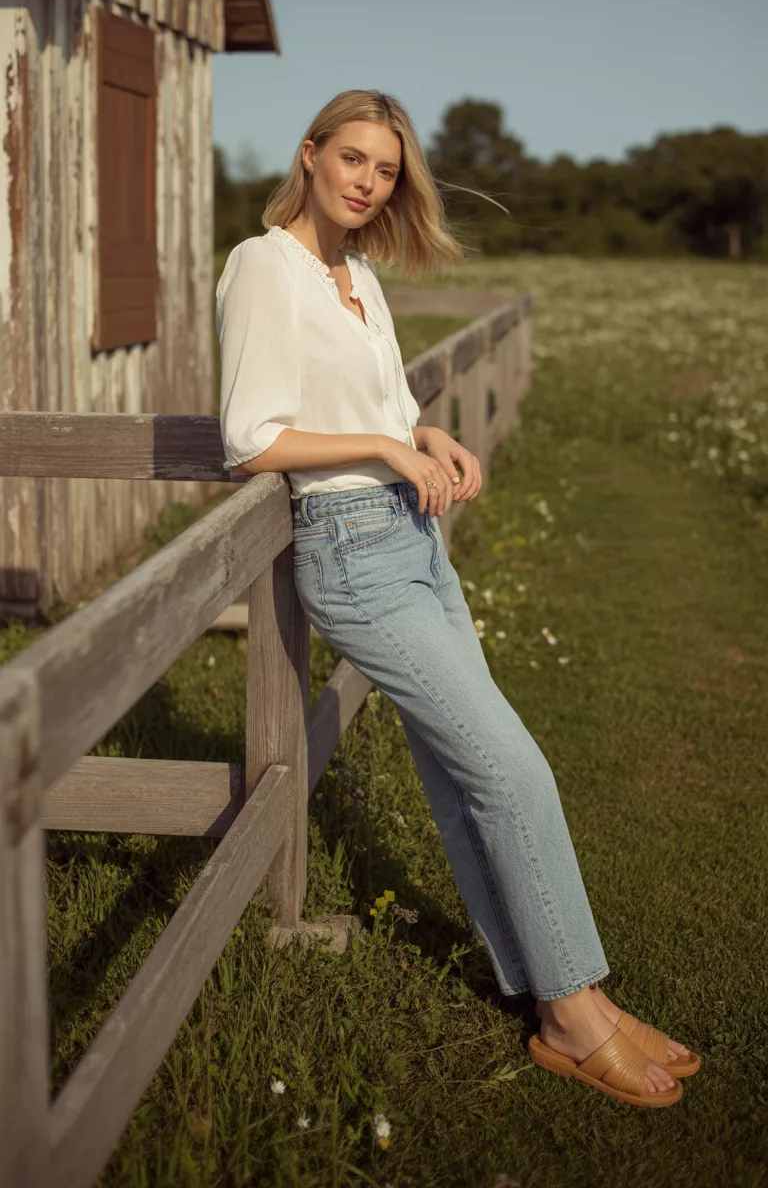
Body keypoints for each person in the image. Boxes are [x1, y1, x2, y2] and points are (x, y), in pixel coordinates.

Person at [215, 89, 699, 1108]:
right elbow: (252, 438)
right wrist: (384, 446)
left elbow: (385, 408)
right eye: (350, 159)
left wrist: (423, 436)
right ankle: (574, 1014)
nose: (367, 182)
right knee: (516, 770)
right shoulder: (265, 267)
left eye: (385, 171)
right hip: (351, 555)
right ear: (308, 157)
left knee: (466, 777)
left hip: (416, 538)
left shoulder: (356, 273)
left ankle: (567, 1002)